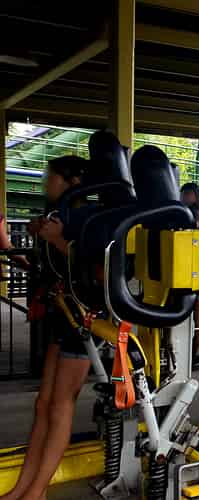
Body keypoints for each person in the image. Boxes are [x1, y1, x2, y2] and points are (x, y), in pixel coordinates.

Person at [0, 155, 89, 500]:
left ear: (72, 182)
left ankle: (37, 491)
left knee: (61, 405)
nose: (45, 184)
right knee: (44, 404)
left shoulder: (90, 219)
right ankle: (22, 487)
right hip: (60, 314)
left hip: (83, 320)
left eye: (50, 178)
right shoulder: (58, 217)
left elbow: (98, 268)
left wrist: (57, 240)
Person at [180, 183, 199, 362]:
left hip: (192, 269)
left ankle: (191, 355)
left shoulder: (197, 216)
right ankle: (189, 355)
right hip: (195, 269)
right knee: (195, 315)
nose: (184, 197)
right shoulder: (197, 216)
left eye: (186, 194)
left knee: (195, 315)